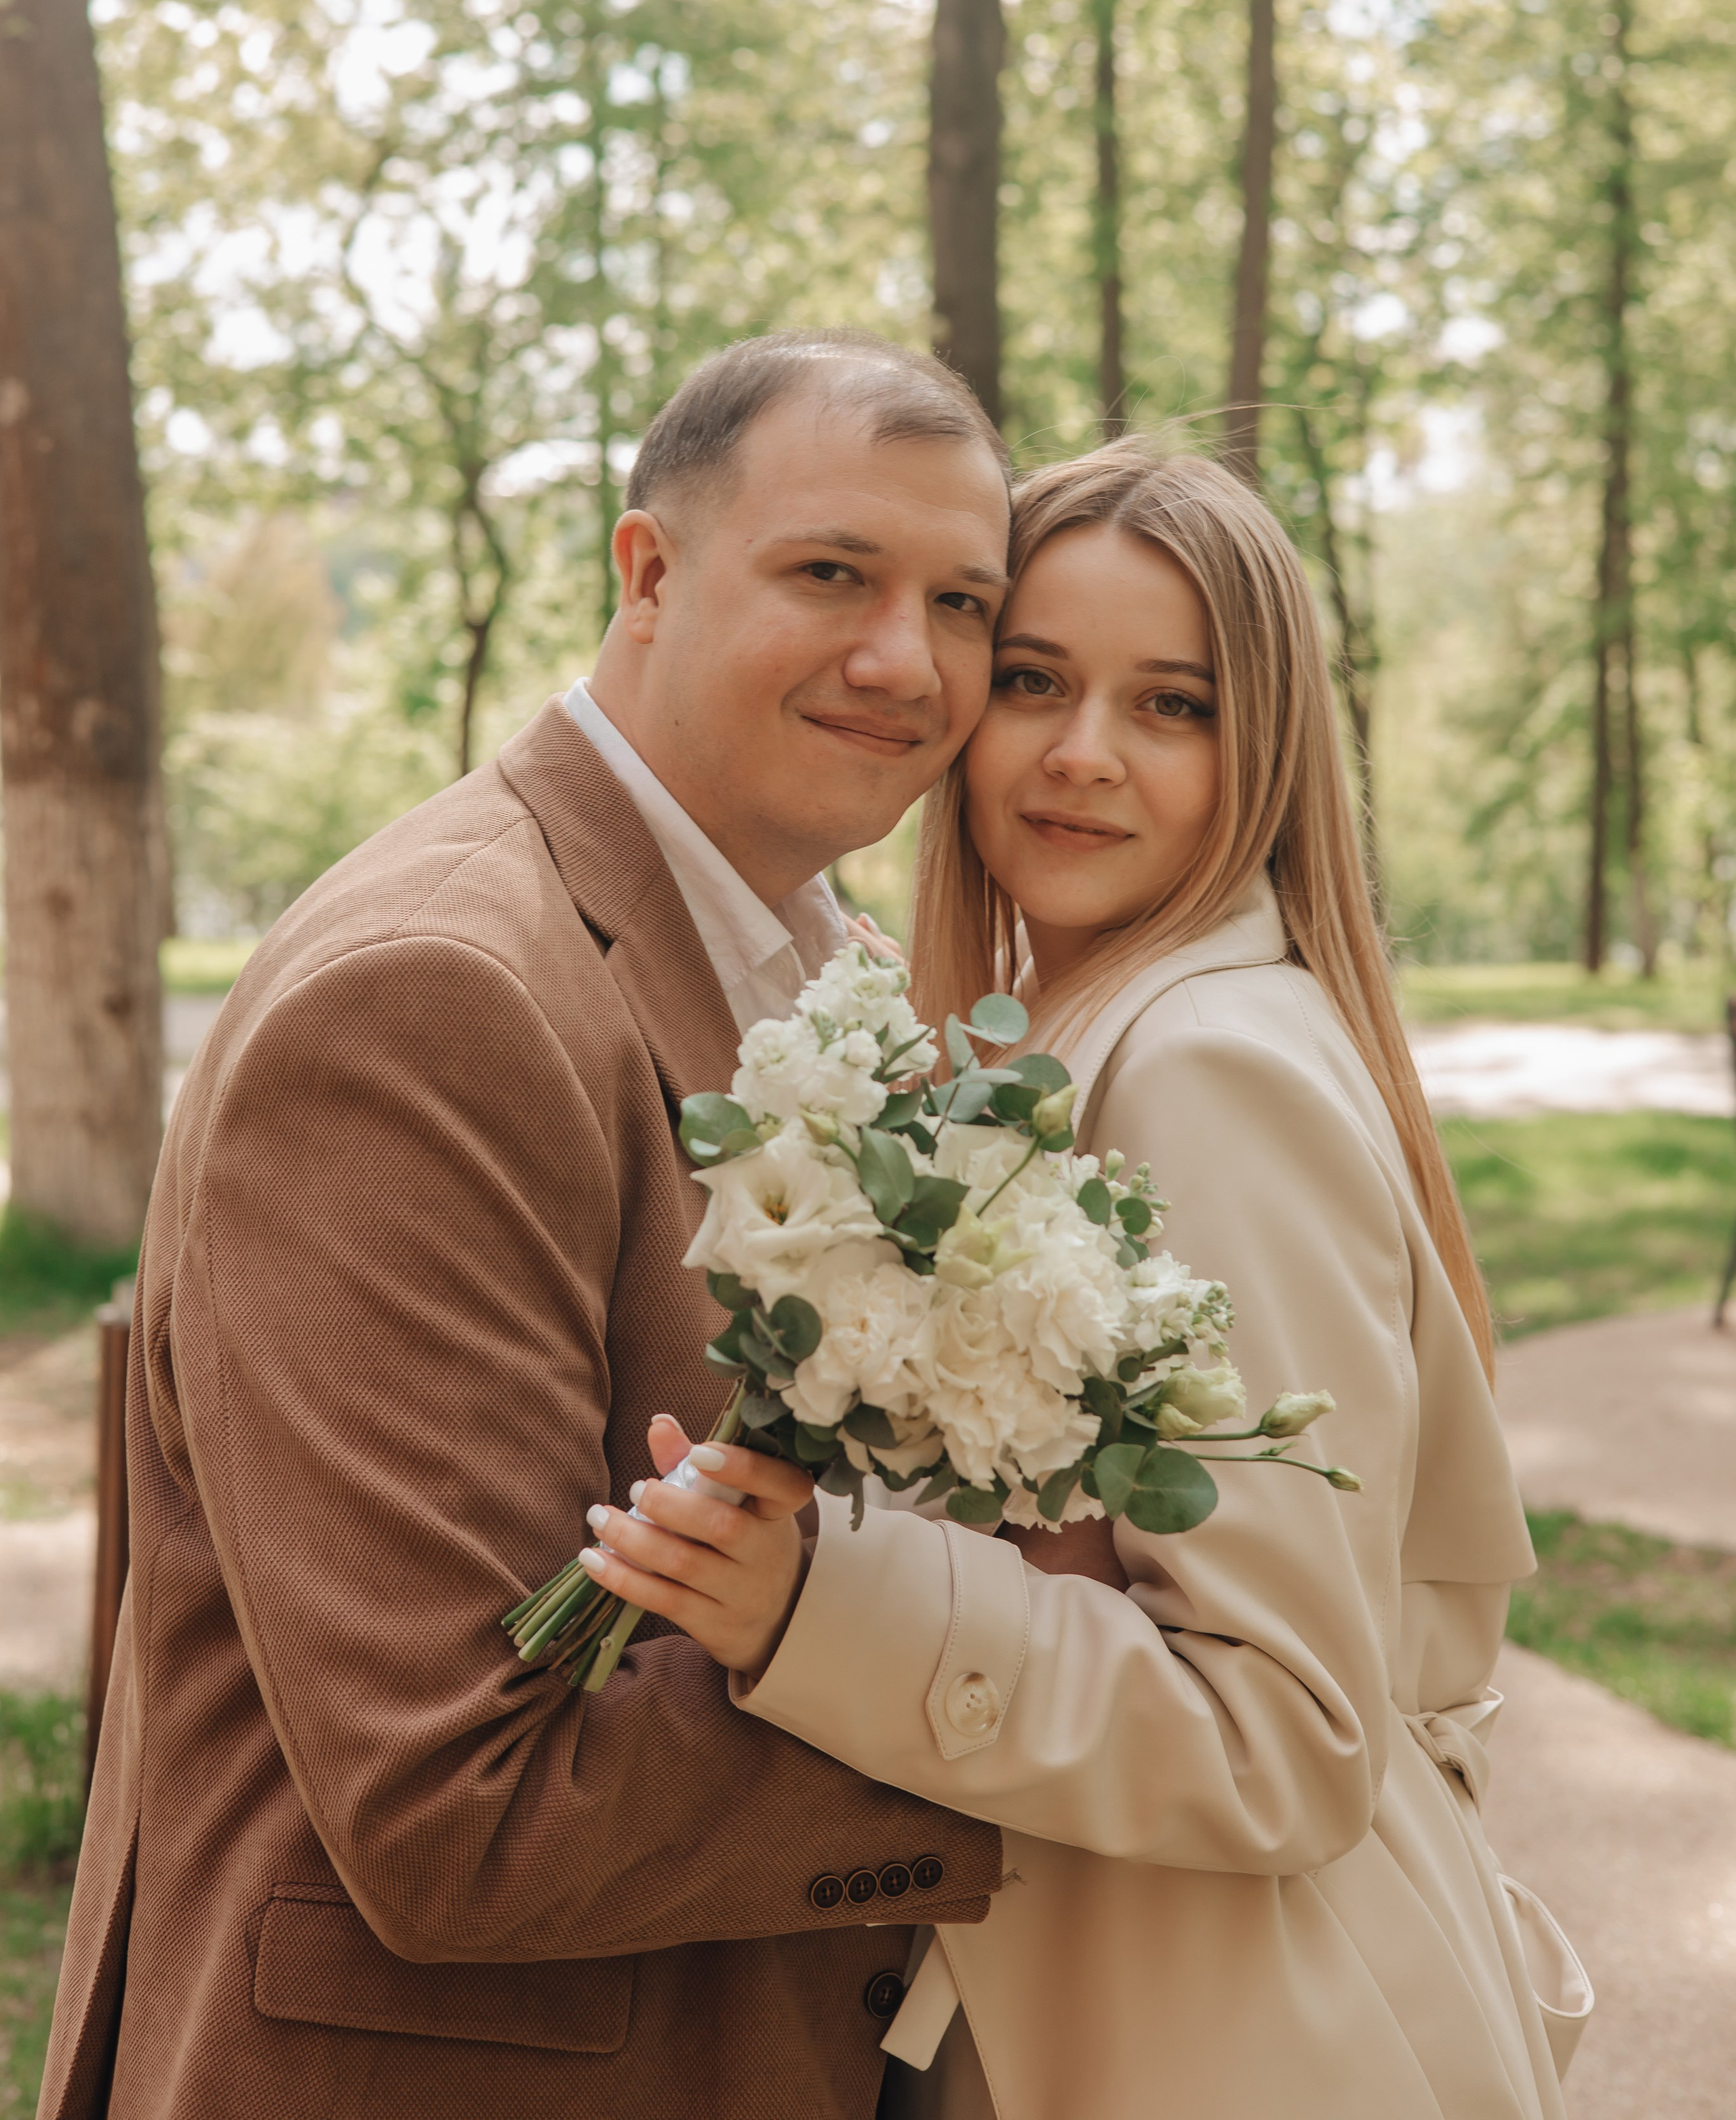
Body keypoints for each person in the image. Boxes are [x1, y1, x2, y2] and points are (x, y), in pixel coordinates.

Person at [41, 331, 1016, 2120]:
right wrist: (1057, 1712)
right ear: (648, 573)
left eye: (965, 604)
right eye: (833, 575)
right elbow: (457, 1803)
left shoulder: (848, 976)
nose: (911, 660)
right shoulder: (434, 999)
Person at [584, 443, 1594, 2120]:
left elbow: (1285, 1730)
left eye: (1170, 706)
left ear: (1258, 752)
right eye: (1036, 681)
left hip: (1219, 2040)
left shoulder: (1206, 1066)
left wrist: (814, 1605)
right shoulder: (1060, 1037)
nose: (1078, 757)